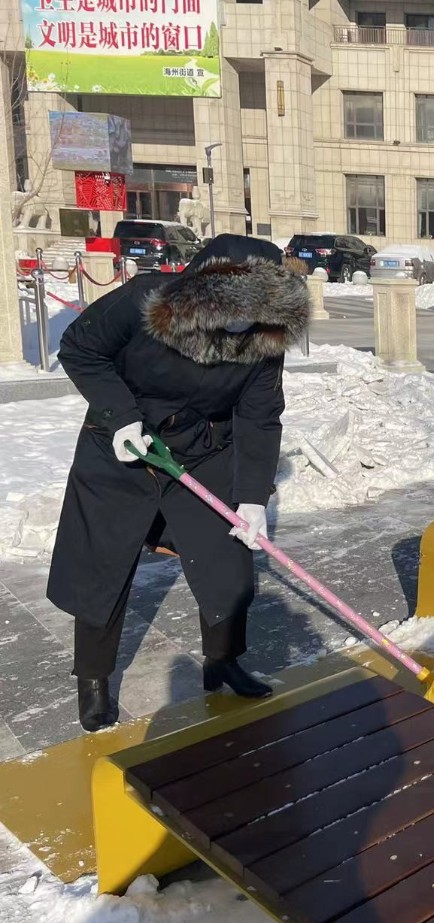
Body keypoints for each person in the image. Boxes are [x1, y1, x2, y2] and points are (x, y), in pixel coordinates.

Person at [47, 234, 311, 731]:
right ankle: (94, 678)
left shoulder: (265, 338)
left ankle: (224, 660)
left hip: (203, 449)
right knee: (102, 564)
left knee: (225, 560)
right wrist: (120, 415)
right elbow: (80, 348)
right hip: (121, 445)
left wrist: (253, 498)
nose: (245, 320)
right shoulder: (144, 302)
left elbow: (260, 415)